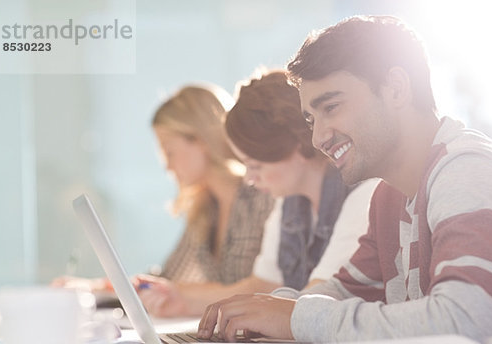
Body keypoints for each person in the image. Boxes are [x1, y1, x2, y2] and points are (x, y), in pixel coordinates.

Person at [197, 15, 492, 344]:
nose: (318, 138)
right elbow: (340, 293)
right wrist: (262, 311)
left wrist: (295, 318)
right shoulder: (389, 196)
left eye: (331, 107)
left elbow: (465, 325)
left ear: (396, 88)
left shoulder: (468, 169)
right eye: (311, 120)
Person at [134, 70, 378, 317]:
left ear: (295, 149)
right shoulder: (289, 203)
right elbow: (263, 284)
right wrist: (184, 303)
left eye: (256, 166)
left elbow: (316, 297)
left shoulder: (362, 195)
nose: (249, 179)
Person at [53, 85, 274, 302]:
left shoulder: (263, 196)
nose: (167, 166)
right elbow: (167, 281)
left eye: (169, 152)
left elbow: (269, 288)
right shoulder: (207, 210)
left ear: (201, 141)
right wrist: (94, 288)